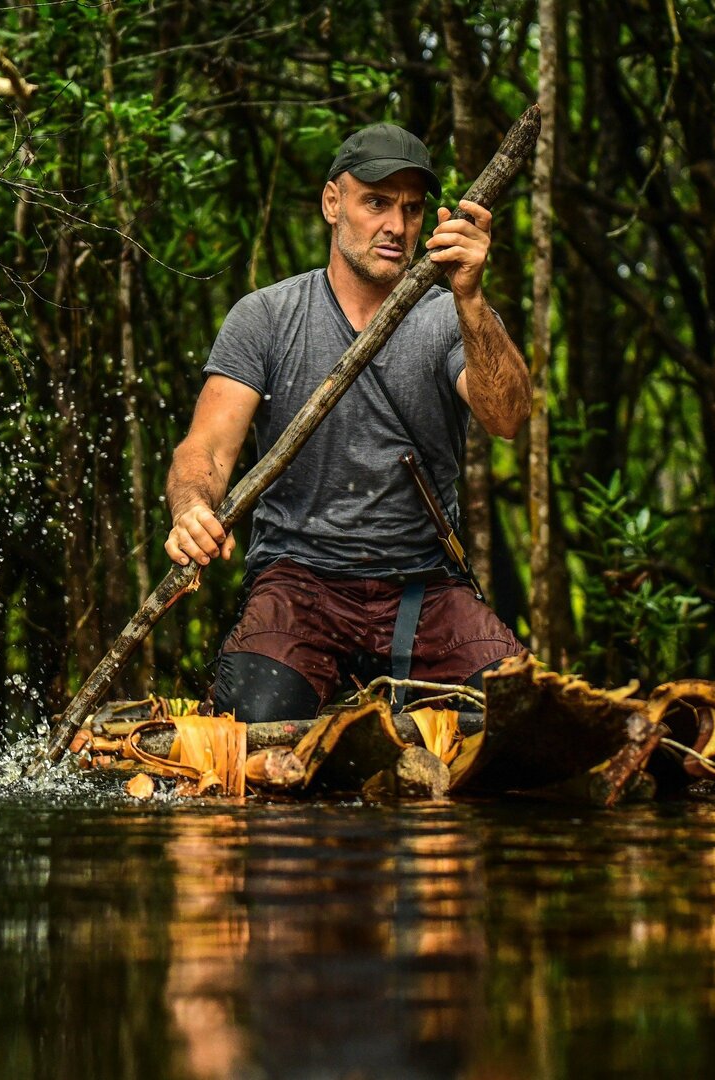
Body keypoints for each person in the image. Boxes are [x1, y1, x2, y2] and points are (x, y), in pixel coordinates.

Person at [164, 122, 532, 724]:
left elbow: (509, 417)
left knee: (523, 721)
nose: (396, 226)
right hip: (297, 585)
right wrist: (191, 511)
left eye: (412, 210)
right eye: (377, 203)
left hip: (425, 589)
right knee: (255, 728)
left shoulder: (449, 318)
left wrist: (470, 299)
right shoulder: (266, 317)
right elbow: (204, 450)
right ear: (333, 202)